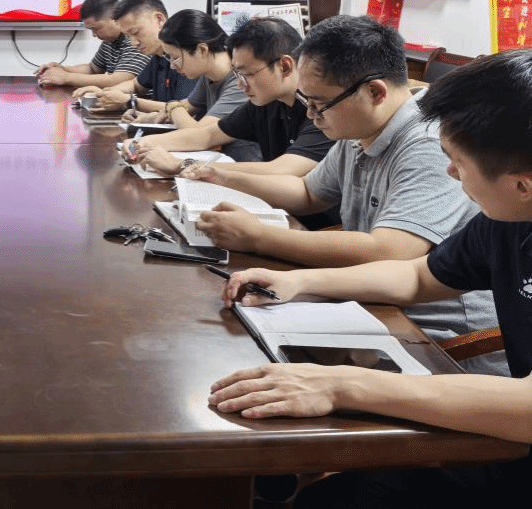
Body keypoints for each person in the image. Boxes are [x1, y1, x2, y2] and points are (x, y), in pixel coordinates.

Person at [209, 49, 532, 507]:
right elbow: (418, 276)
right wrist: (302, 283)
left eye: (458, 161)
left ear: (522, 185)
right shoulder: (508, 219)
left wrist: (340, 386)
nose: (449, 172)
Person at [193, 15, 499, 359]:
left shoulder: (428, 144)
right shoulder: (359, 128)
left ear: (375, 92)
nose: (311, 115)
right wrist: (224, 177)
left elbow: (391, 250)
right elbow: (309, 193)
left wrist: (259, 237)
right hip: (373, 298)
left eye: (319, 104)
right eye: (306, 102)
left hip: (435, 333)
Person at [128, 16, 333, 178]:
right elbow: (207, 136)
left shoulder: (321, 109)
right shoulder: (264, 103)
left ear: (285, 66)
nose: (240, 85)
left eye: (248, 74)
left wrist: (182, 165)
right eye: (237, 74)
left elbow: (280, 170)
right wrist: (143, 144)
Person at [132, 9, 260, 161]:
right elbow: (188, 106)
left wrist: (173, 108)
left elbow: (200, 135)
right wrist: (151, 117)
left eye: (175, 57)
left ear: (202, 50)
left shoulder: (241, 82)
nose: (172, 65)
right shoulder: (209, 75)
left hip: (242, 167)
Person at [69, 0, 196, 113]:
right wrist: (104, 93)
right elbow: (136, 85)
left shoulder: (187, 55)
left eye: (135, 32)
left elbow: (183, 109)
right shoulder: (158, 57)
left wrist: (129, 102)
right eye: (128, 36)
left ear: (159, 20)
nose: (133, 43)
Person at [35, 0, 149, 89]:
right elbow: (93, 69)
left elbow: (120, 80)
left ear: (114, 19)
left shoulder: (134, 40)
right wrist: (61, 69)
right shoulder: (109, 42)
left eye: (96, 28)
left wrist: (66, 77)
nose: (94, 35)